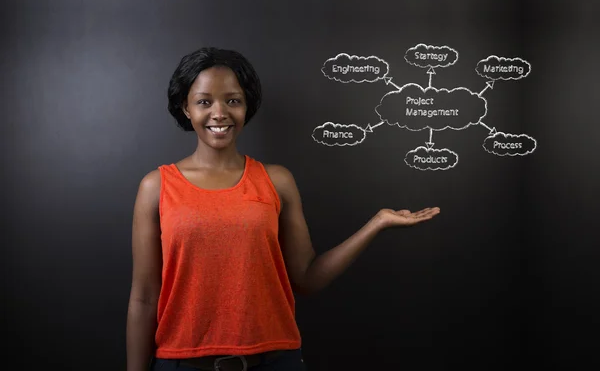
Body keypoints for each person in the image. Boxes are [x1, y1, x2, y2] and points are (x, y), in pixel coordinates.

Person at [126, 47, 440, 371]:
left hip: (276, 363)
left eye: (232, 100)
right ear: (185, 108)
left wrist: (376, 223)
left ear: (246, 107)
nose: (219, 113)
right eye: (204, 101)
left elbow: (307, 279)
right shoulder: (157, 187)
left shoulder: (276, 181)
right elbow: (144, 298)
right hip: (181, 364)